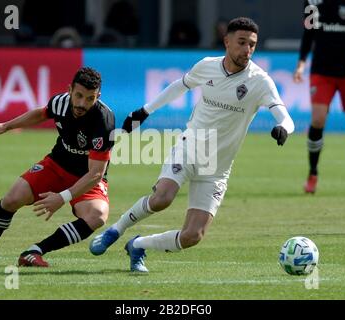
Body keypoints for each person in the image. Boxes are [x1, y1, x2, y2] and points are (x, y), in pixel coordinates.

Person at [89, 17, 295, 273]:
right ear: (227, 41)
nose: (247, 50)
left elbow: (285, 116)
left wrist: (283, 128)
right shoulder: (207, 66)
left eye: (252, 45)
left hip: (218, 168)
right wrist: (145, 110)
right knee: (162, 198)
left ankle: (138, 245)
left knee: (192, 236)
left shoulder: (260, 81)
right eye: (242, 43)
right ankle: (116, 230)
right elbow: (180, 86)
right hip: (191, 146)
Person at [0, 67, 115, 267]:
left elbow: (96, 173)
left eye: (89, 98)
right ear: (69, 90)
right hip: (56, 164)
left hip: (86, 177)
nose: (81, 103)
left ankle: (35, 251)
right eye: (78, 96)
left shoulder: (104, 121)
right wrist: (5, 126)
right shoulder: (60, 102)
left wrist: (63, 197)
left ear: (98, 96)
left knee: (97, 215)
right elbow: (41, 114)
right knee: (12, 198)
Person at [293, 0, 345, 195]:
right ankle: (312, 175)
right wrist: (301, 63)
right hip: (322, 70)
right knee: (318, 119)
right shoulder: (312, 2)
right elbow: (309, 34)